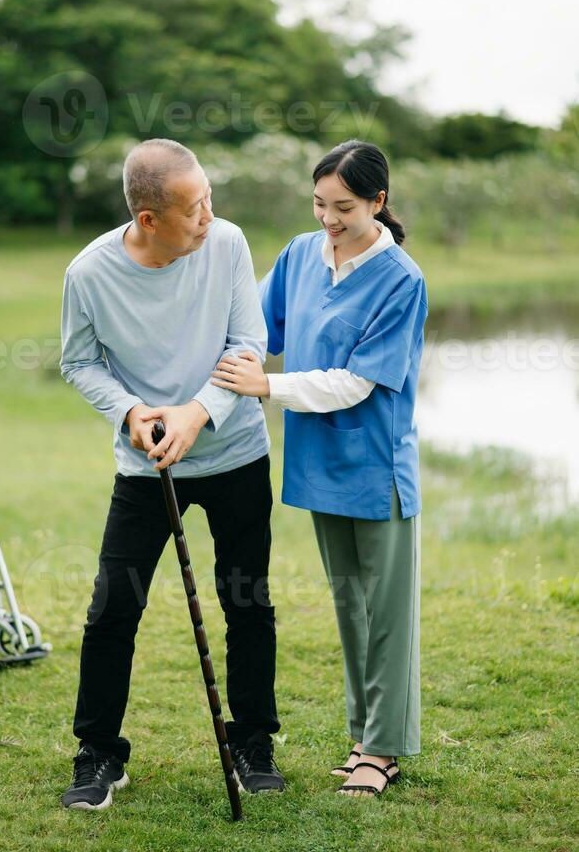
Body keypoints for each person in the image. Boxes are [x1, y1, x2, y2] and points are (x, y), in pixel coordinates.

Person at [59, 138, 284, 811]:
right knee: (111, 609)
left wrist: (196, 414)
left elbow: (248, 343)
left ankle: (252, 743)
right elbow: (79, 362)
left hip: (235, 451)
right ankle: (99, 753)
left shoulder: (228, 244)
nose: (208, 218)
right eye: (193, 211)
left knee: (246, 602)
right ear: (148, 218)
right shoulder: (89, 273)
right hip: (146, 464)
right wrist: (129, 409)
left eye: (209, 200)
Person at [210, 140, 427, 799]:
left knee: (385, 613)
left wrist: (265, 388)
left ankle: (382, 752)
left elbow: (357, 384)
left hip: (374, 468)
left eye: (344, 207)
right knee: (349, 608)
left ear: (378, 203)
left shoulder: (401, 280)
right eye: (319, 204)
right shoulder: (301, 255)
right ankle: (364, 738)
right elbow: (254, 326)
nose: (328, 219)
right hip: (318, 463)